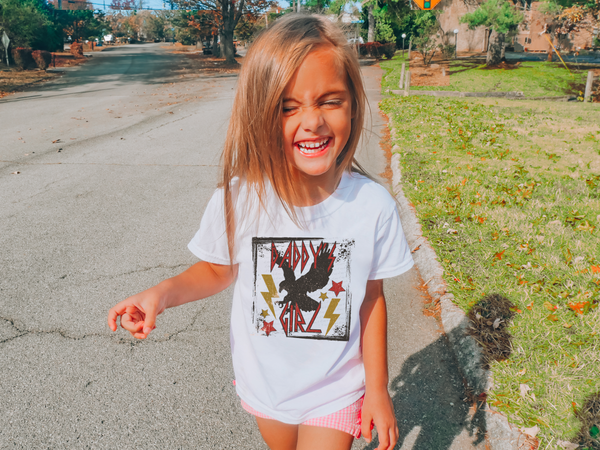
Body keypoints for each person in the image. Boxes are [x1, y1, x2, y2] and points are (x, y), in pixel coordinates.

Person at [107, 14, 413, 450]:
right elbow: (216, 270)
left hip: (336, 390)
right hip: (265, 388)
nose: (312, 121)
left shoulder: (372, 206)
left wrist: (378, 389)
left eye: (330, 101)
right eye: (288, 107)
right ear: (259, 114)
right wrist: (160, 294)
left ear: (352, 104)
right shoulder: (240, 198)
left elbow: (371, 298)